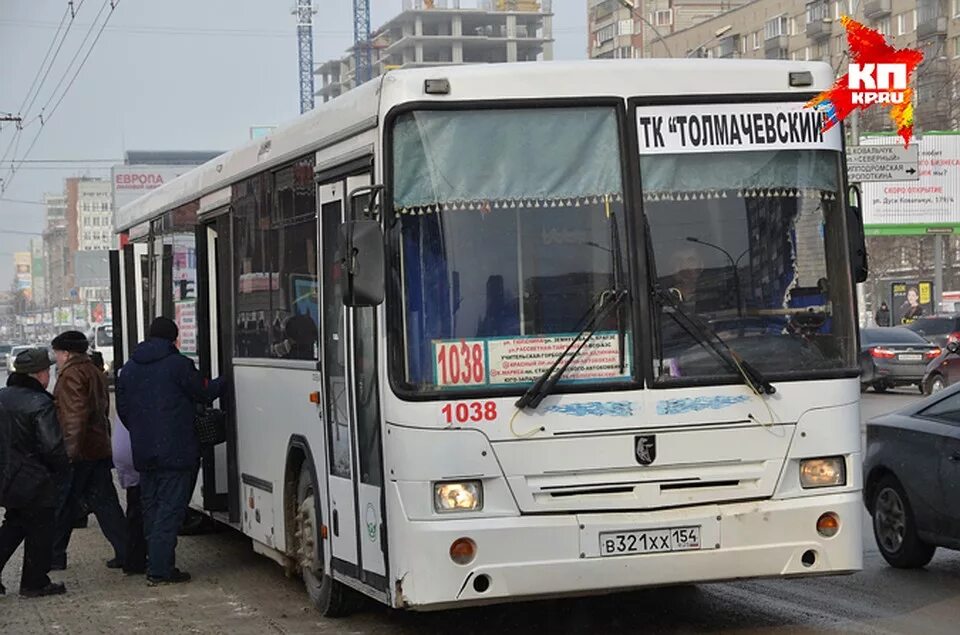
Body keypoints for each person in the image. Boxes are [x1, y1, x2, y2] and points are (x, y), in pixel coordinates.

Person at [116, 317, 223, 585]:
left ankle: (158, 563)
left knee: (151, 508)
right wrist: (228, 379)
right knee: (170, 511)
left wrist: (143, 433)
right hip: (176, 451)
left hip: (144, 451)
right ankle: (160, 571)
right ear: (174, 339)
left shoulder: (129, 369)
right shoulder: (178, 365)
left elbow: (124, 411)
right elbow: (204, 392)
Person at [50, 330, 127, 571]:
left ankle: (53, 557)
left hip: (81, 452)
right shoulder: (94, 371)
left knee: (64, 506)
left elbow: (74, 417)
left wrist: (69, 455)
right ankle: (128, 552)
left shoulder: (72, 374)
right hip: (97, 448)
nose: (56, 358)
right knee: (106, 505)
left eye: (57, 353)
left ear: (66, 353)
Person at [0, 348, 69, 597]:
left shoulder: (2, 397)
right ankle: (34, 582)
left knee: (15, 524)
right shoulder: (40, 403)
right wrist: (62, 468)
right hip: (35, 479)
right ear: (39, 374)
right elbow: (52, 446)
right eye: (47, 371)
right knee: (41, 528)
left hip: (7, 476)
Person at [111, 405, 147, 575]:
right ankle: (135, 558)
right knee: (140, 510)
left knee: (135, 507)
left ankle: (131, 557)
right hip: (136, 451)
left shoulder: (129, 384)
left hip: (125, 449)